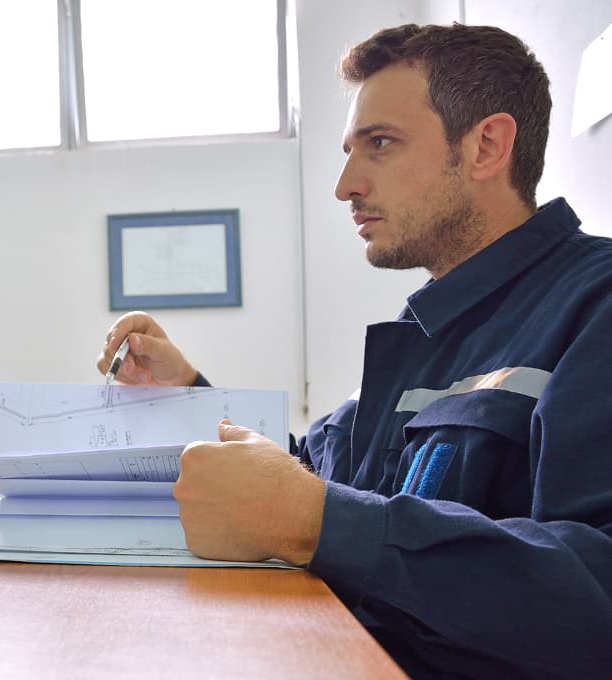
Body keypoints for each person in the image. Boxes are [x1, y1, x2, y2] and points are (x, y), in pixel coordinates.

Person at [96, 23, 612, 680]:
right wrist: (186, 391)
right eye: (349, 150)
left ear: (487, 145)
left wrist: (323, 524)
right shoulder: (423, 331)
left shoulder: (595, 307)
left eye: (380, 145)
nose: (345, 185)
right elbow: (309, 473)